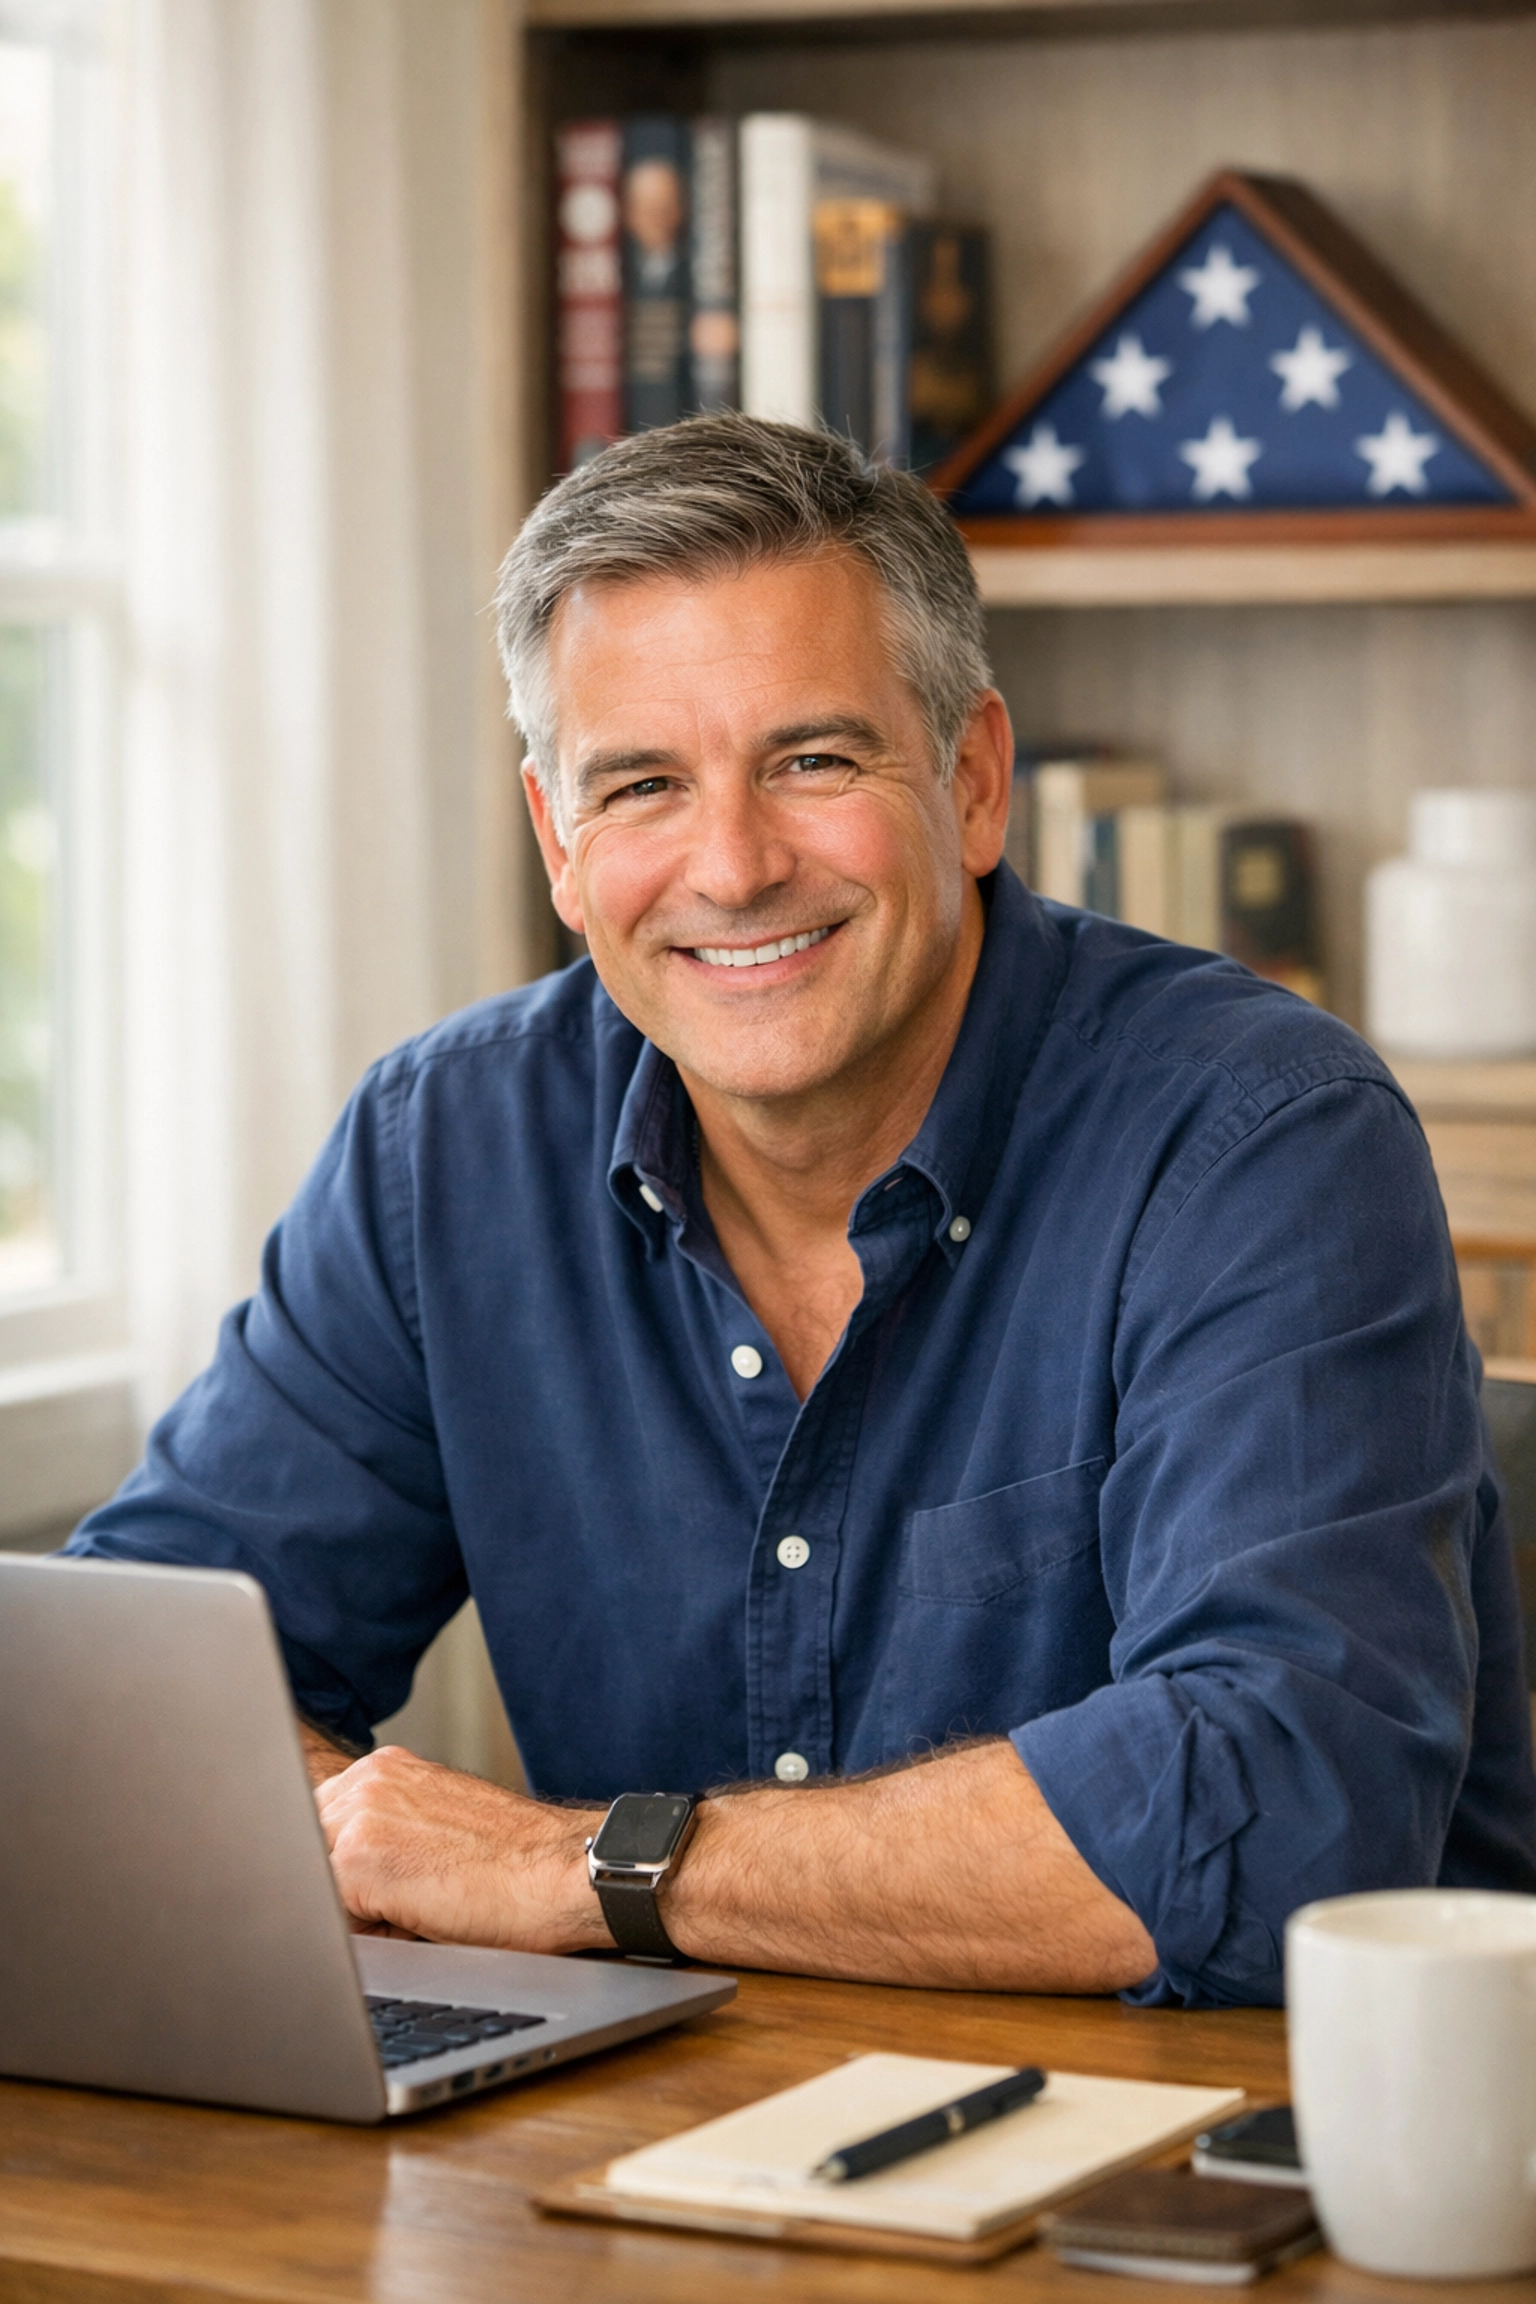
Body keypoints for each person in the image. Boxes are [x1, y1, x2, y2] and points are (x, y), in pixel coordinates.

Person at [68, 416, 1536, 2008]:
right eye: (640, 785)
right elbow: (133, 1699)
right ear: (561, 844)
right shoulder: (447, 1150)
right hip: (645, 2155)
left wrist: (571, 1871)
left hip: (1233, 2177)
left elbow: (1283, 1810)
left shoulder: (1263, 1140)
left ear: (974, 784)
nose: (735, 864)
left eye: (813, 761)